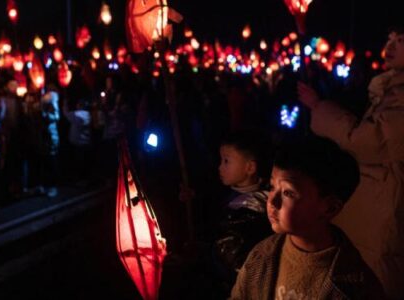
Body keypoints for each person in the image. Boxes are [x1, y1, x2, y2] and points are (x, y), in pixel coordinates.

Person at [297, 25, 404, 299]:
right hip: (376, 205)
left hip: (386, 207)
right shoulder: (390, 88)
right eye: (390, 38)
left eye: (401, 41)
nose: (390, 46)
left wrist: (319, 107)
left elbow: (370, 141)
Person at [230, 135, 385, 299]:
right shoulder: (261, 255)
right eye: (272, 187)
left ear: (330, 208)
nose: (272, 201)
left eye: (288, 193)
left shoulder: (357, 287)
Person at [160, 130, 273, 299]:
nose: (220, 167)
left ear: (250, 167)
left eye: (227, 161)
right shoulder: (226, 192)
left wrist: (198, 256)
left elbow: (229, 262)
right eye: (221, 160)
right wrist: (193, 196)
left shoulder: (251, 212)